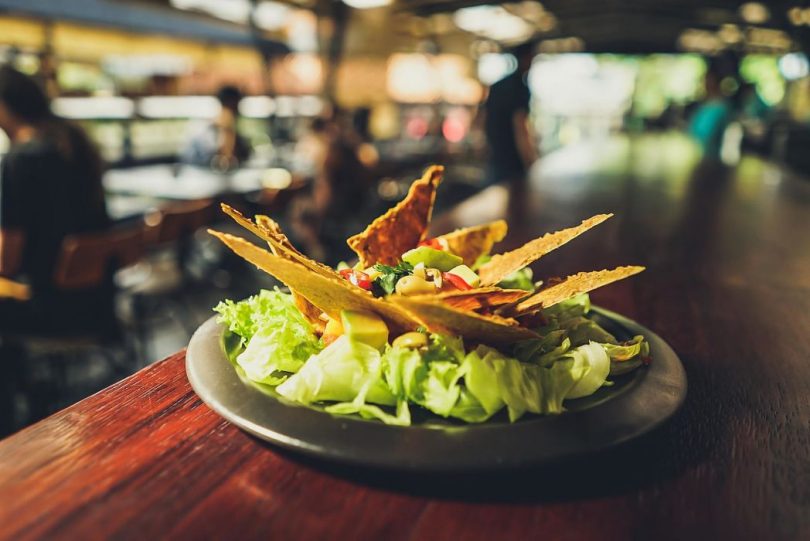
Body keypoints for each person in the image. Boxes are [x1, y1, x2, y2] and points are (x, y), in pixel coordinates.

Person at [0, 65, 112, 334]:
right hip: (99, 301)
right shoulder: (75, 142)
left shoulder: (20, 160)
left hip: (50, 308)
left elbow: (7, 262)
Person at [484, 41, 539, 186]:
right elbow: (520, 125)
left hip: (496, 155)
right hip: (513, 160)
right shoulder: (520, 87)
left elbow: (483, 118)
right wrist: (530, 160)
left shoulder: (497, 85)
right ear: (527, 58)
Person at [181, 85, 251, 169]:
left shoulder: (236, 134)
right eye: (235, 105)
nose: (238, 111)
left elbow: (244, 156)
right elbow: (205, 159)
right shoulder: (203, 133)